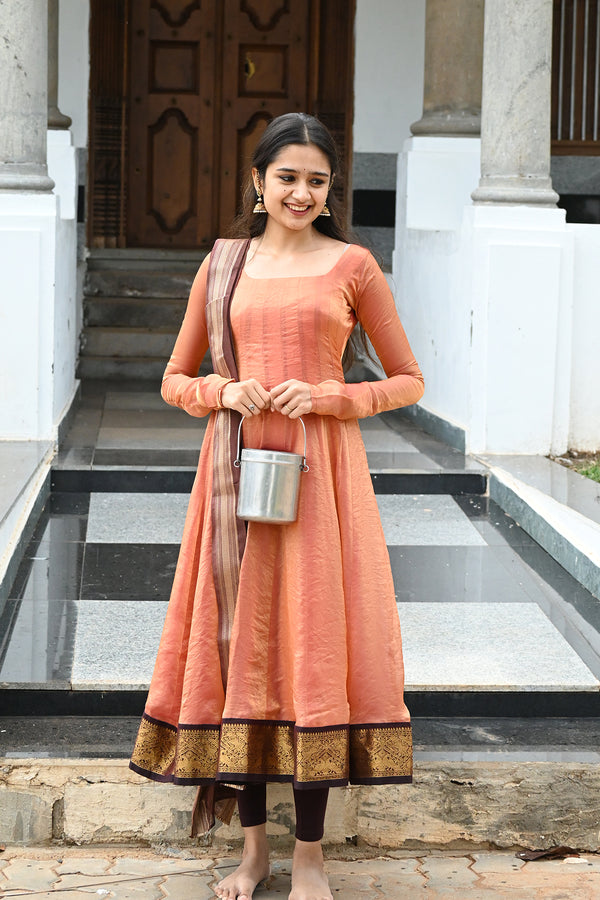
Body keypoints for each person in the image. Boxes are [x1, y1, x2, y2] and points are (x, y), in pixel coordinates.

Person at [129, 112, 424, 900]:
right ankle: (254, 855)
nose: (302, 192)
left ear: (331, 191)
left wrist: (333, 396)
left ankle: (312, 863)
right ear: (257, 183)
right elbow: (173, 378)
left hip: (321, 478)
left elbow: (407, 380)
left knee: (312, 651)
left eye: (317, 180)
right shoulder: (223, 264)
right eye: (287, 176)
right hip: (233, 482)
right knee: (242, 652)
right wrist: (224, 389)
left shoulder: (354, 265)